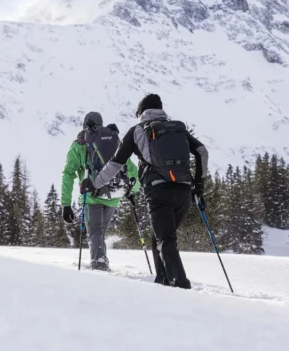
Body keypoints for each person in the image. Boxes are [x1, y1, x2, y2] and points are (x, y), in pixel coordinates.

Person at [81, 94, 208, 288]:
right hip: (183, 190)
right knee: (159, 237)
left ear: (141, 112)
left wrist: (95, 184)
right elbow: (202, 151)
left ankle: (181, 285)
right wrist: (198, 186)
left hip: (158, 192)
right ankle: (162, 282)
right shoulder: (177, 129)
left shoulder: (137, 130)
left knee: (165, 240)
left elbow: (115, 163)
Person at [61, 111, 140, 271]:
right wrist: (132, 190)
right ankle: (101, 260)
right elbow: (131, 169)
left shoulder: (80, 144)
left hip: (91, 197)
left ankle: (99, 264)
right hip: (113, 195)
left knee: (95, 232)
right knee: (99, 232)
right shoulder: (113, 142)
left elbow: (68, 173)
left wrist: (66, 204)